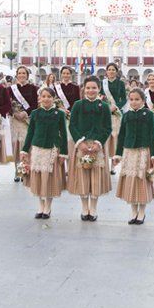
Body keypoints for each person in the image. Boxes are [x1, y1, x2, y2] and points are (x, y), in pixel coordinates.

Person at [112, 88, 154, 224]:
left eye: (137, 99)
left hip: (143, 152)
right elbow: (121, 135)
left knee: (142, 181)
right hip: (129, 152)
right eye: (132, 99)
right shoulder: (126, 115)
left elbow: (153, 135)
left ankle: (142, 212)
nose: (134, 102)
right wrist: (118, 154)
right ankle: (133, 211)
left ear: (143, 100)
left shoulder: (148, 114)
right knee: (131, 180)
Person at [68, 76, 113, 221]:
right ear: (84, 89)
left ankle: (93, 208)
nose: (91, 90)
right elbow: (72, 125)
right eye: (88, 88)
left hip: (97, 146)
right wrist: (79, 142)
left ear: (99, 89)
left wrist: (98, 143)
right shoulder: (77, 105)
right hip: (81, 144)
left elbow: (108, 127)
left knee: (96, 176)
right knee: (82, 175)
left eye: (94, 88)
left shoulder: (104, 106)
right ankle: (84, 207)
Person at [19, 87, 68, 219]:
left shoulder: (59, 114)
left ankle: (48, 206)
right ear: (39, 98)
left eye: (49, 96)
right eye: (43, 96)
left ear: (53, 99)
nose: (46, 99)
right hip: (37, 149)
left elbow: (63, 133)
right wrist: (24, 149)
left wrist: (63, 153)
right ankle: (40, 205)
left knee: (49, 179)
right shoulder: (35, 113)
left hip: (52, 149)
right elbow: (30, 133)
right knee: (39, 178)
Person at [9, 66, 39, 183]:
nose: (22, 75)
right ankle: (17, 170)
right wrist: (15, 113)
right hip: (15, 120)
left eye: (24, 73)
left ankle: (26, 168)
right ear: (17, 75)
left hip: (27, 120)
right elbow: (7, 104)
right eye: (20, 73)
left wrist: (25, 113)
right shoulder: (11, 89)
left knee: (26, 145)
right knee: (16, 145)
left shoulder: (33, 88)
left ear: (27, 75)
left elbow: (35, 104)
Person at [102, 62, 127, 165]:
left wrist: (116, 107)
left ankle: (114, 164)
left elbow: (124, 99)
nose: (111, 71)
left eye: (113, 70)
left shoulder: (120, 83)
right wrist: (106, 106)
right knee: (106, 138)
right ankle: (104, 162)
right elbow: (99, 96)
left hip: (116, 113)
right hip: (104, 113)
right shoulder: (102, 83)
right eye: (109, 69)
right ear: (106, 72)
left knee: (115, 137)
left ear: (116, 72)